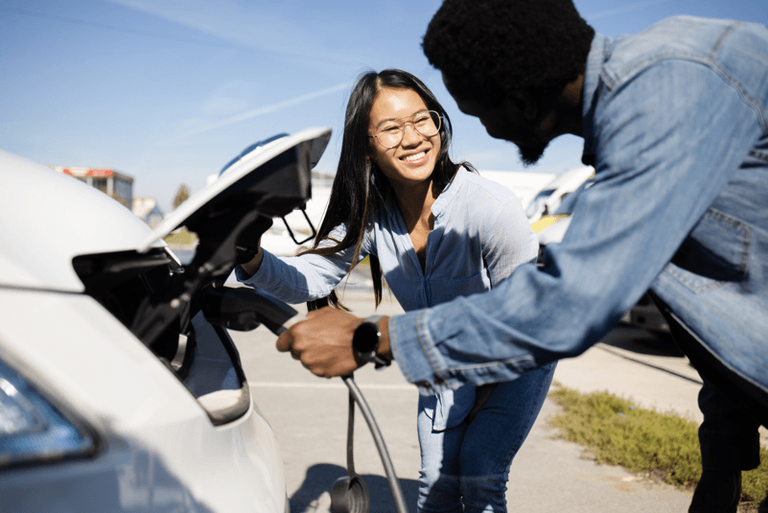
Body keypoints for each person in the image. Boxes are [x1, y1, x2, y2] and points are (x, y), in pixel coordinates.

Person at [275, 2, 768, 512]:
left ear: (518, 100)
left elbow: (572, 300)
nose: (484, 132)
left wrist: (374, 337)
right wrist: (722, 462)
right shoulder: (646, 102)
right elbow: (731, 292)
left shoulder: (670, 92)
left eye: (476, 112)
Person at [237, 68, 556, 512]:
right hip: (445, 363)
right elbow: (309, 277)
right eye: (391, 128)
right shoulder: (373, 215)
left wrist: (481, 397)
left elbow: (526, 315)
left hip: (518, 356)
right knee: (436, 487)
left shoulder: (490, 207)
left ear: (438, 123)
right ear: (366, 148)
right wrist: (249, 254)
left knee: (480, 472)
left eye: (422, 119)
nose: (412, 138)